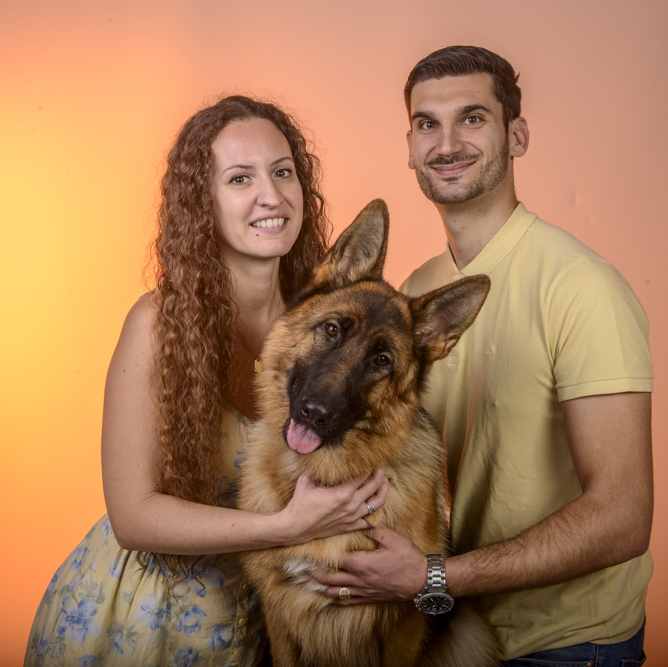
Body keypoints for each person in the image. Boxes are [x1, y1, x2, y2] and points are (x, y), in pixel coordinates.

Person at [313, 46, 653, 665]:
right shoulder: (416, 294)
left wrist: (432, 578)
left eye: (472, 118)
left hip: (565, 645)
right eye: (427, 124)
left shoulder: (581, 287)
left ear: (516, 135)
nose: (447, 144)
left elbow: (623, 517)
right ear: (410, 148)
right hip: (450, 633)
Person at [24, 95, 388, 667]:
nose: (271, 196)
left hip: (259, 625)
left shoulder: (324, 324)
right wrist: (285, 526)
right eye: (240, 178)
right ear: (203, 203)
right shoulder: (158, 324)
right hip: (145, 623)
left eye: (283, 172)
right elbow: (132, 517)